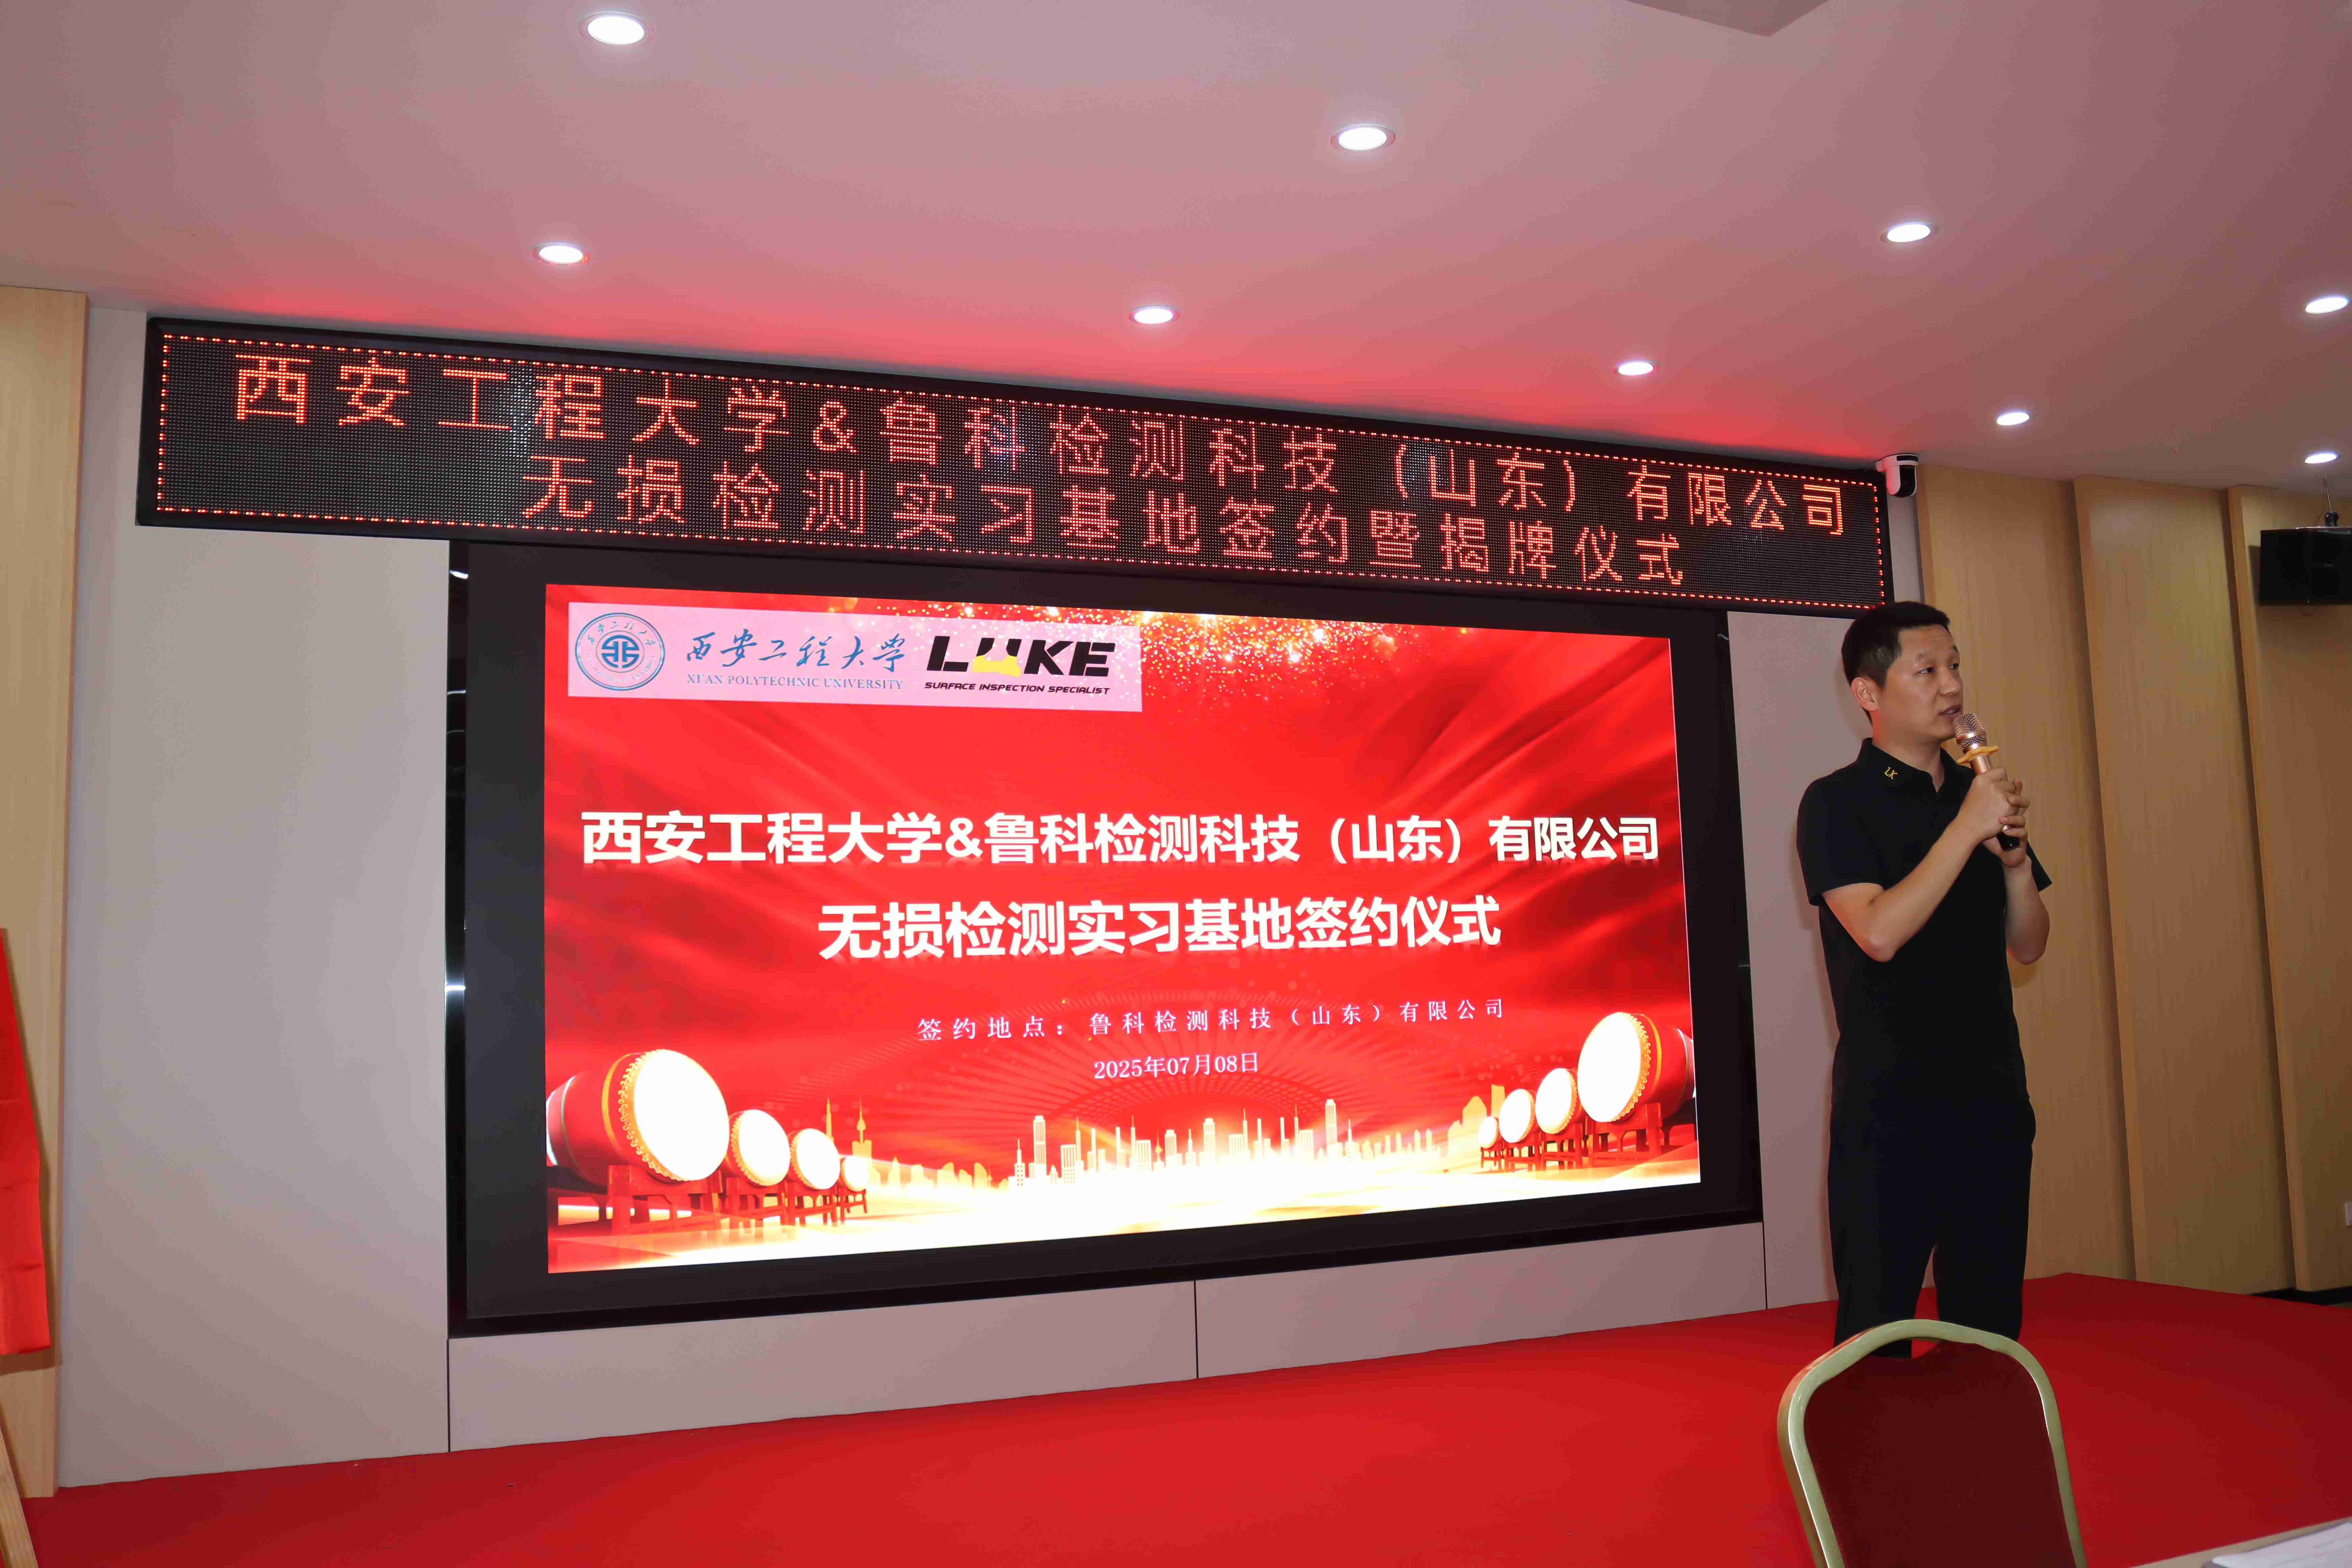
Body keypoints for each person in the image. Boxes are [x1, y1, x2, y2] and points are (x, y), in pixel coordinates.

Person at [1797, 601, 2051, 1350]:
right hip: (1891, 1113)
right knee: (1876, 1334)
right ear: (1868, 693)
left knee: (1989, 1330)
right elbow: (1878, 933)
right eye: (1927, 670)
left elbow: (2030, 945)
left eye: (1956, 666)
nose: (1952, 687)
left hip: (1991, 1101)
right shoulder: (1837, 803)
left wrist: (2014, 867)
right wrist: (1966, 830)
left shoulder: (1977, 793)